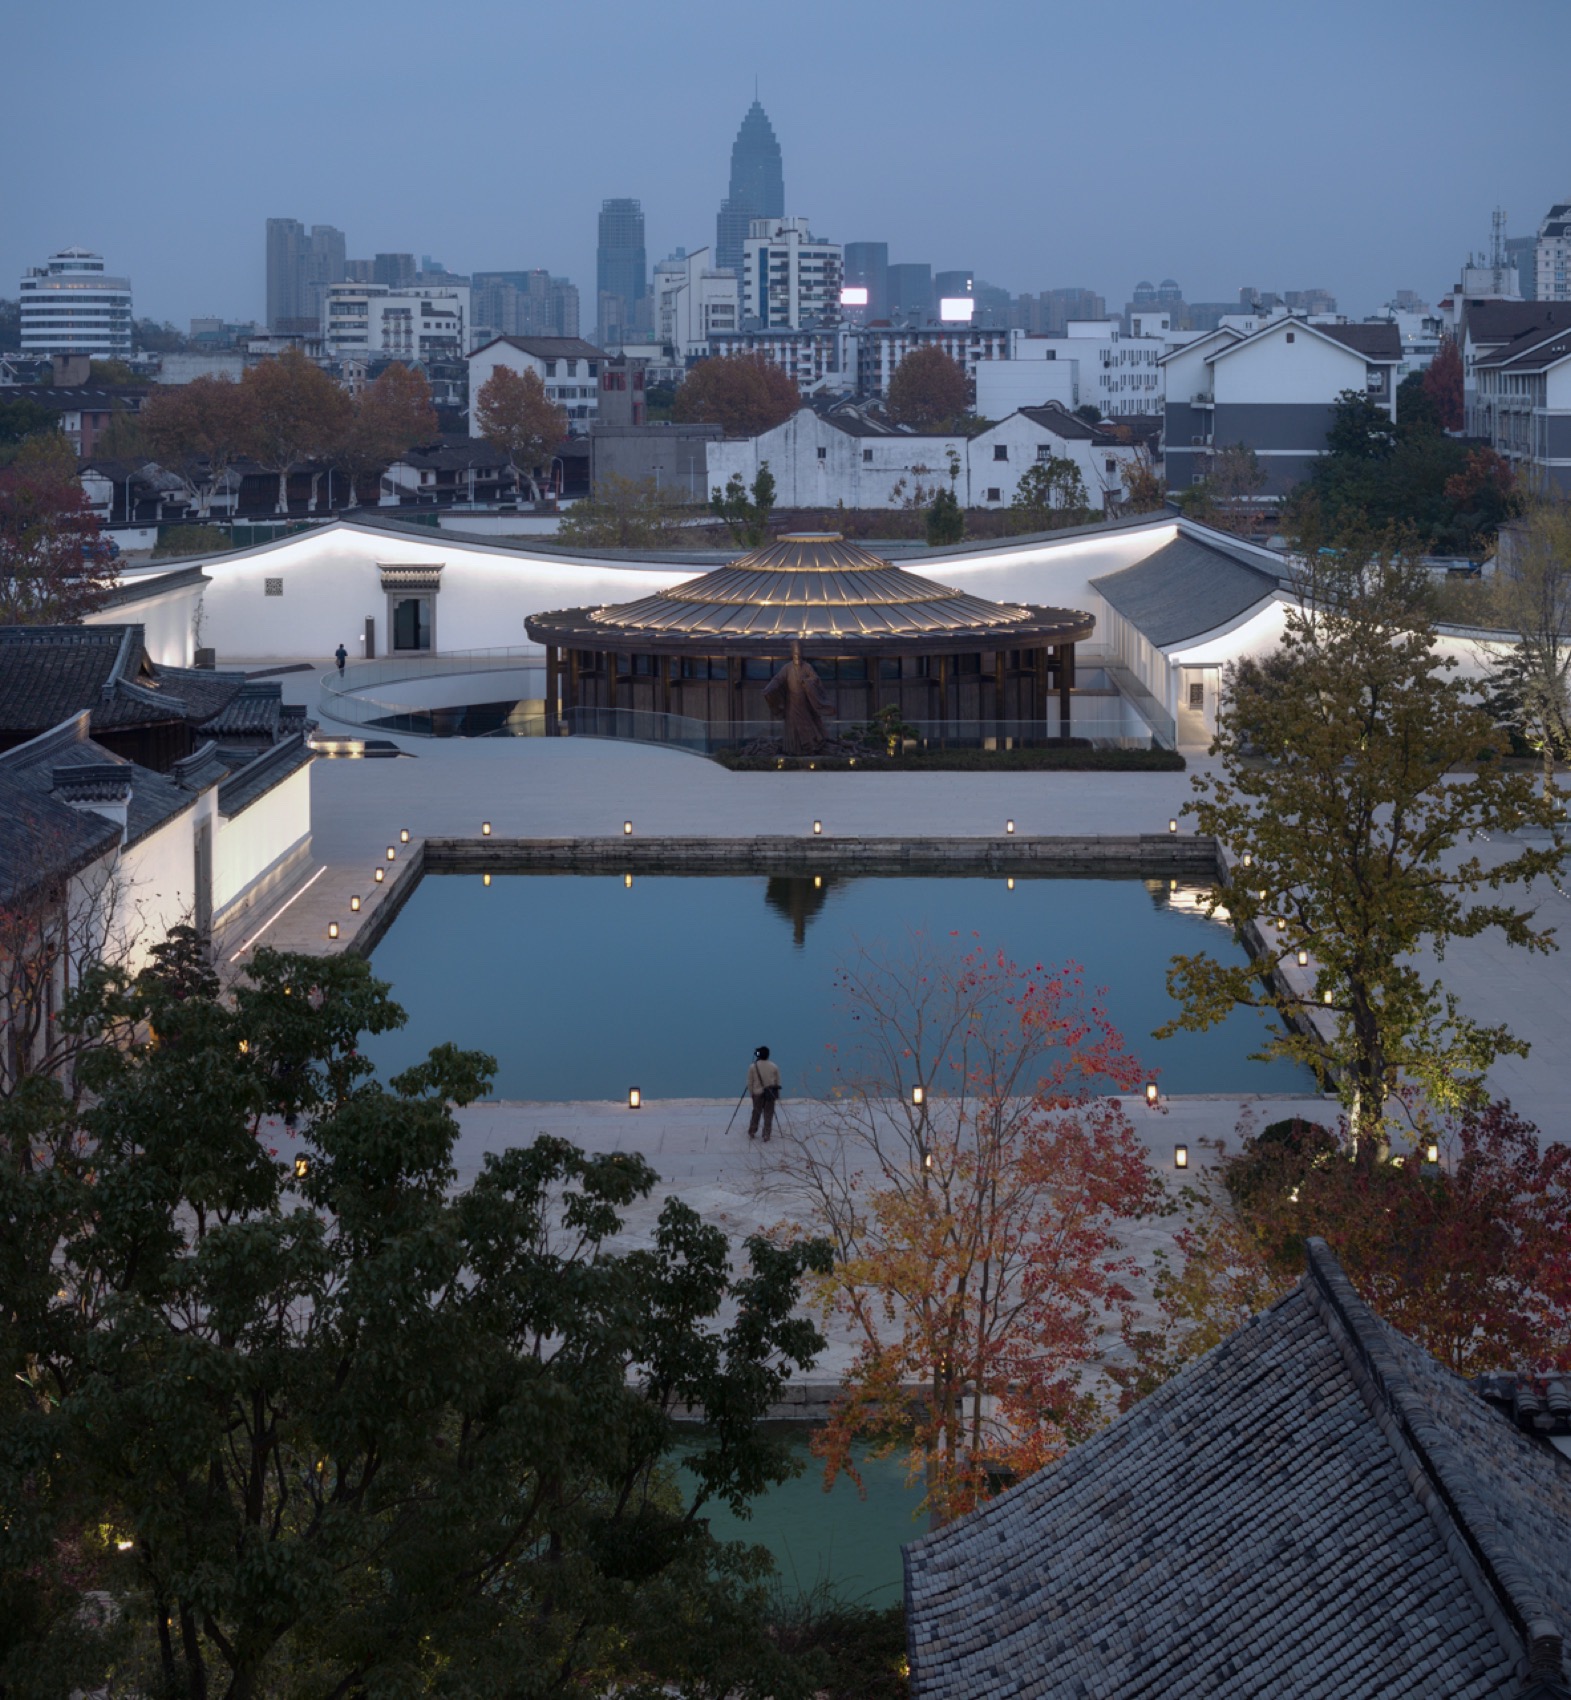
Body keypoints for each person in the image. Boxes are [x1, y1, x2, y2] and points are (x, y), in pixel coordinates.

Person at [763, 642, 832, 756]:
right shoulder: (787, 668)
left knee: (806, 724)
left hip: (804, 702)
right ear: (792, 656)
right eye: (795, 656)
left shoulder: (807, 667)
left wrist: (806, 681)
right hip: (792, 702)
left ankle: (810, 747)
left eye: (799, 656)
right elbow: (778, 679)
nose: (797, 659)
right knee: (792, 726)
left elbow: (815, 678)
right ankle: (793, 750)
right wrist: (769, 688)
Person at [746, 1044, 781, 1141]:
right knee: (768, 1114)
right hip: (770, 1094)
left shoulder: (753, 1067)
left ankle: (752, 1131)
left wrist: (751, 1093)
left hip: (757, 1093)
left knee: (756, 1113)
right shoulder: (774, 1066)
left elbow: (750, 1082)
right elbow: (777, 1082)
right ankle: (766, 1134)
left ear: (758, 1055)